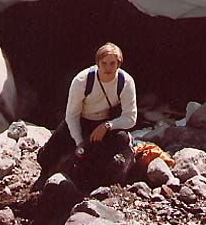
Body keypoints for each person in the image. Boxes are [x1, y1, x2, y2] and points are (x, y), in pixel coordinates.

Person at [34, 42, 137, 191]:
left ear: (119, 64)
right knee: (47, 155)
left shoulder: (126, 82)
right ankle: (46, 174)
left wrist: (107, 126)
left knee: (121, 139)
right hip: (82, 121)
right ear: (97, 63)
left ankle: (87, 178)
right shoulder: (82, 80)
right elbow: (72, 116)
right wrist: (79, 141)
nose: (108, 68)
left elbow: (131, 118)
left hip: (104, 124)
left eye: (112, 63)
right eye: (104, 63)